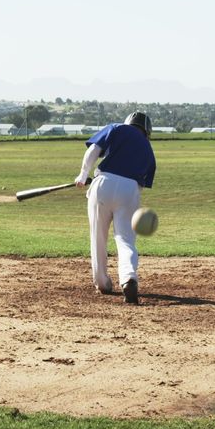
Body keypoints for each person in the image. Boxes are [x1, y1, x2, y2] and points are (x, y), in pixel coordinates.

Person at [74, 112, 157, 304]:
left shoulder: (116, 128)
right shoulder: (148, 148)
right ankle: (128, 277)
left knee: (98, 236)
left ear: (128, 123)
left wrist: (83, 173)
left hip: (103, 184)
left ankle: (102, 282)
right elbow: (140, 185)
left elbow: (94, 149)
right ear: (147, 131)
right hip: (131, 190)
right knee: (126, 240)